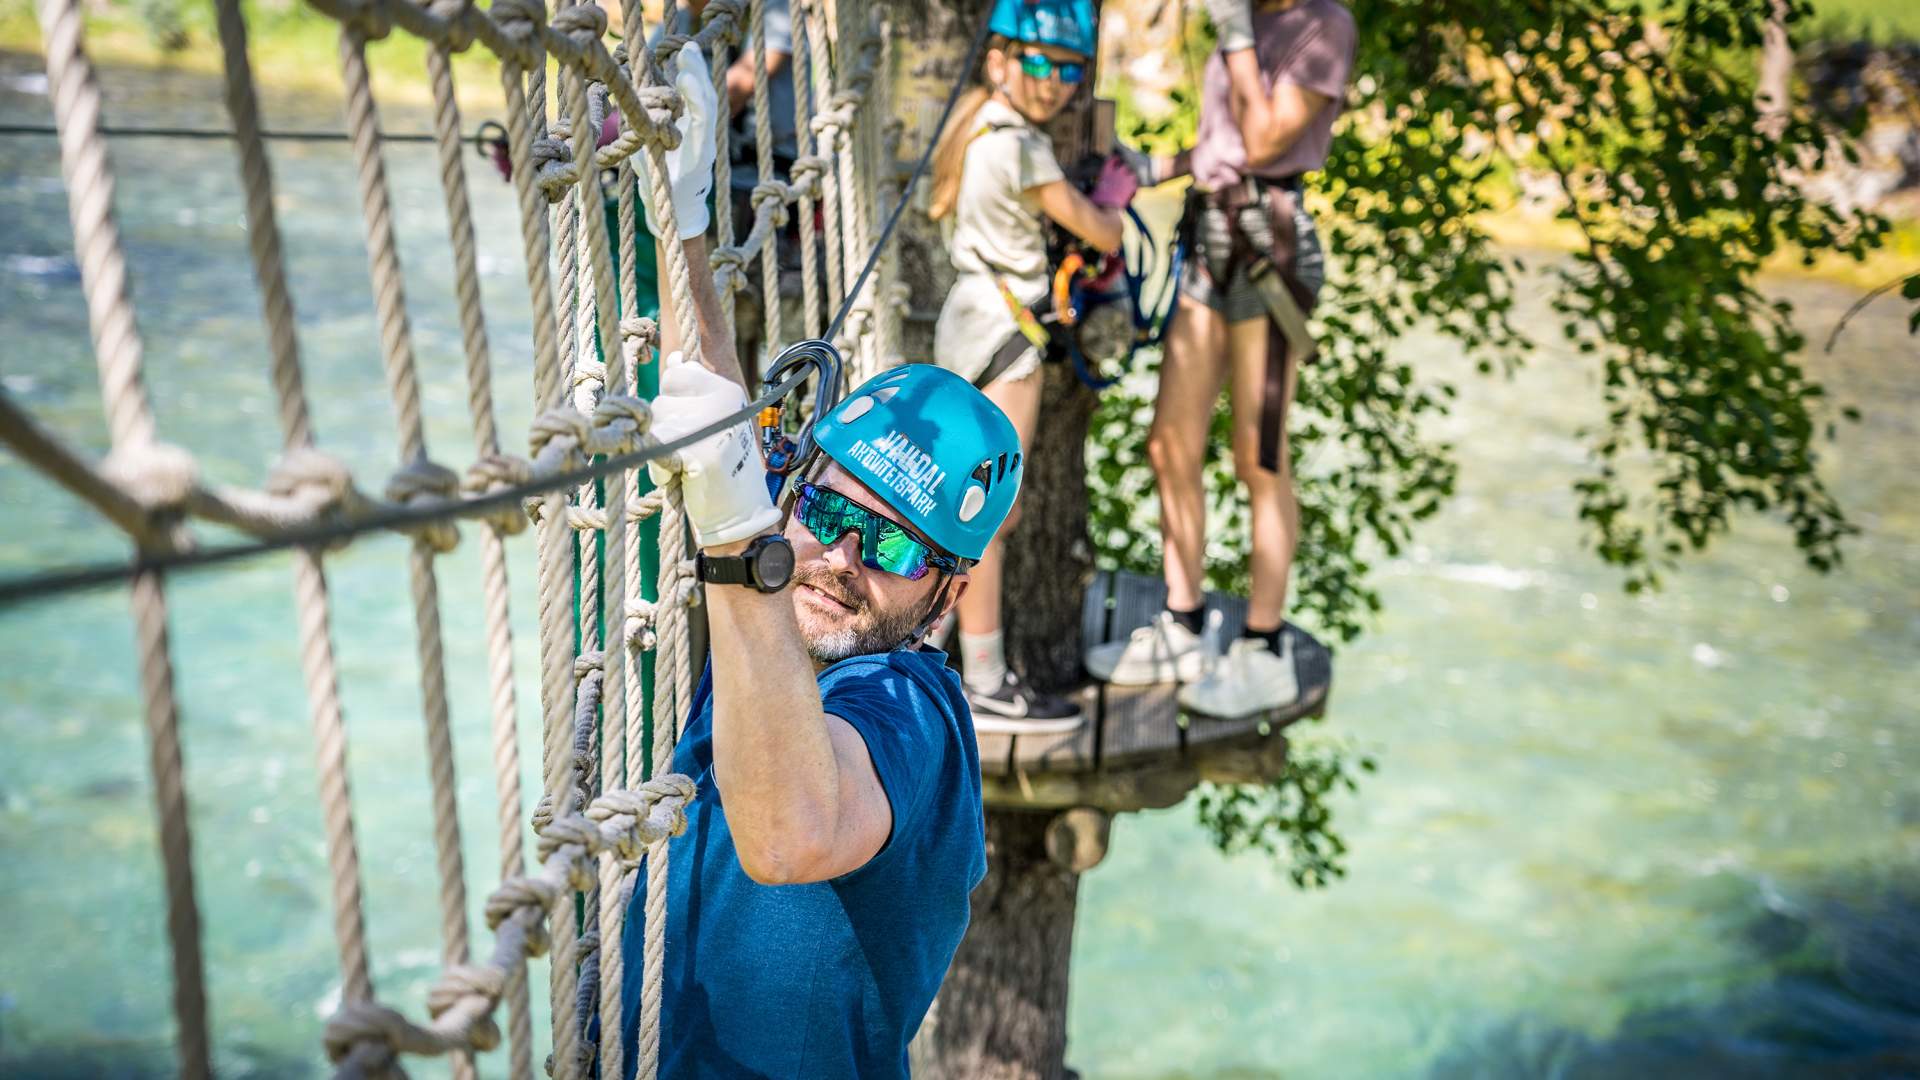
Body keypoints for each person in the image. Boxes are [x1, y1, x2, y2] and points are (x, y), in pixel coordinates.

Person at [613, 41, 1024, 1078]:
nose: (841, 557)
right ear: (794, 486)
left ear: (947, 595)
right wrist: (687, 223)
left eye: (895, 544)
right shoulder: (781, 589)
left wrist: (738, 543)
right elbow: (716, 409)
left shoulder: (911, 712)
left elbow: (792, 834)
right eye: (830, 511)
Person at [1084, 0, 1354, 718]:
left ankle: (1264, 650)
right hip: (1211, 233)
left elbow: (1264, 138)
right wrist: (1160, 168)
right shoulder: (1253, 19)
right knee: (1170, 443)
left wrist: (1233, 32)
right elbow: (1226, 145)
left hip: (1270, 244)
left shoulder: (1323, 25)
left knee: (1257, 458)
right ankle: (1183, 624)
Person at [926, 0, 1138, 732]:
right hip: (1008, 333)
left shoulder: (976, 128)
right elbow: (1102, 232)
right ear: (999, 61)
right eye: (1040, 62)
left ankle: (924, 646)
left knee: (964, 501)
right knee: (992, 513)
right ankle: (982, 678)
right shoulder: (1023, 147)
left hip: (970, 320)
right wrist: (1113, 198)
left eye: (1070, 70)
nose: (1054, 82)